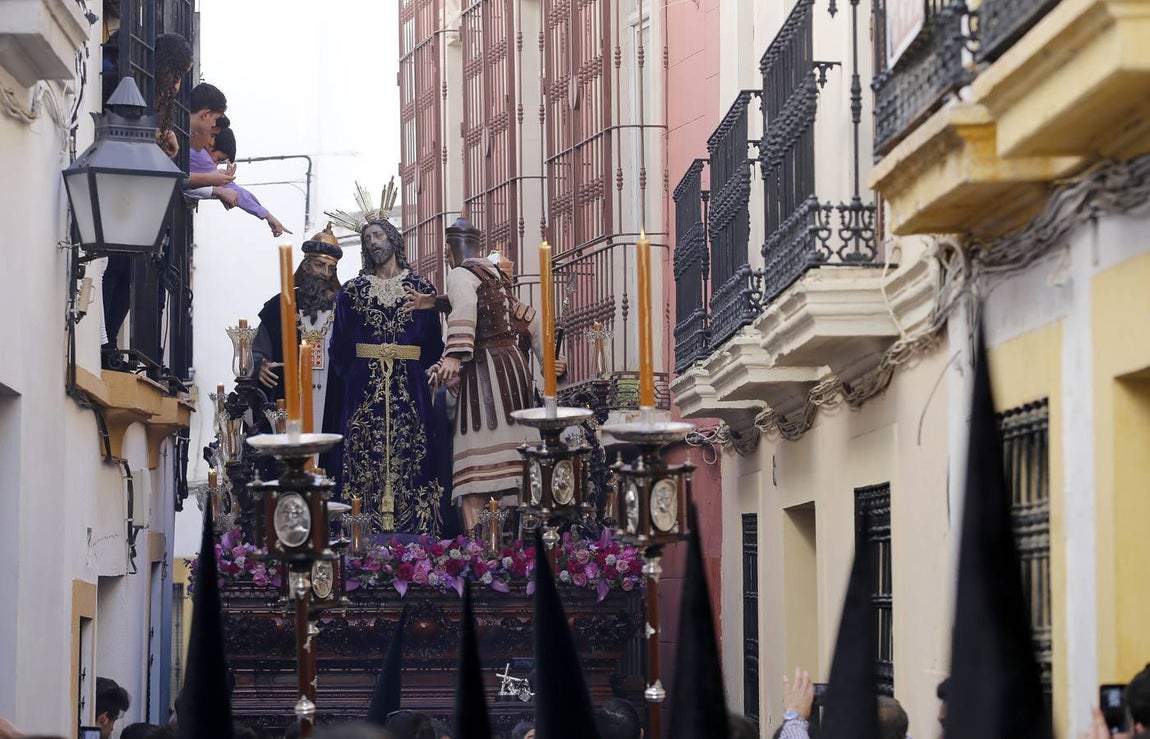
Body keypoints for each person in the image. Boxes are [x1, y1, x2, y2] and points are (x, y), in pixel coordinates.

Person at [428, 218, 562, 531]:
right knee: (519, 472)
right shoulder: (495, 277)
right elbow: (531, 319)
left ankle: (479, 554)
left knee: (475, 478)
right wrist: (550, 363)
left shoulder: (460, 274)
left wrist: (452, 355)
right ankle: (521, 549)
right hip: (515, 373)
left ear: (450, 250)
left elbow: (465, 307)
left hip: (484, 376)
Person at [326, 212, 445, 536]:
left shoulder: (421, 288)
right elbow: (337, 349)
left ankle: (419, 532)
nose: (372, 242)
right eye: (366, 239)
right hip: (364, 390)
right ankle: (360, 531)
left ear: (393, 237)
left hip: (411, 387)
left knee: (414, 452)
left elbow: (435, 345)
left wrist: (422, 371)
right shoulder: (351, 292)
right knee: (363, 455)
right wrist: (357, 375)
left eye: (377, 235)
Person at [253, 224, 344, 434]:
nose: (325, 273)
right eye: (320, 265)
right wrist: (260, 364)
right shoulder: (279, 306)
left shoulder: (342, 309)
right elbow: (258, 349)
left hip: (331, 396)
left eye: (331, 269)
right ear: (306, 265)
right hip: (288, 396)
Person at [188, 123, 289, 236]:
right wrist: (218, 187)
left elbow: (233, 191)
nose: (215, 164)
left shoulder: (198, 154)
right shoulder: (201, 156)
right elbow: (186, 185)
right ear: (211, 144)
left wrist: (267, 215)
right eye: (219, 159)